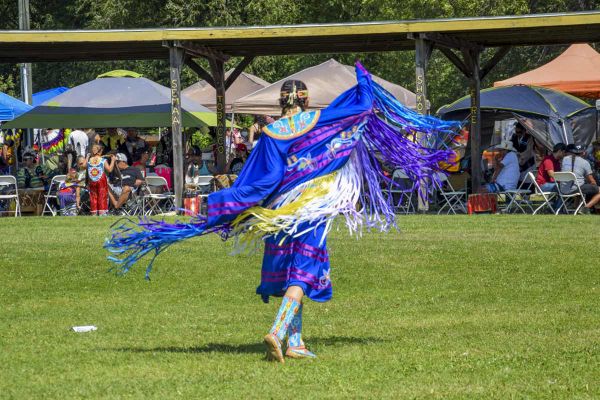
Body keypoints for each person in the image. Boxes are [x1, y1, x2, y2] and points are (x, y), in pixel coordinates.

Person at [105, 62, 458, 363]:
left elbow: (263, 181)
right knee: (302, 274)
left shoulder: (271, 133)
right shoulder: (321, 119)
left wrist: (228, 201)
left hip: (278, 213)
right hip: (311, 209)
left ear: (280, 102)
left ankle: (296, 341)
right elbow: (359, 110)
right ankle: (277, 330)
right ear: (306, 100)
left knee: (294, 270)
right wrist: (364, 81)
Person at [561, 143, 600, 212]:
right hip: (575, 189)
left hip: (563, 189)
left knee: (580, 186)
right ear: (583, 152)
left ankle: (576, 207)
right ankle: (585, 208)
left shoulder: (564, 159)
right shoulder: (585, 162)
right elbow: (592, 181)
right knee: (597, 189)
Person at [87, 144, 115, 216]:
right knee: (102, 196)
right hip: (101, 180)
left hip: (92, 180)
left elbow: (84, 167)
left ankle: (94, 213)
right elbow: (109, 169)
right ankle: (102, 213)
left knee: (93, 196)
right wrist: (113, 161)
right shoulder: (103, 160)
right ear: (101, 151)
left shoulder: (90, 160)